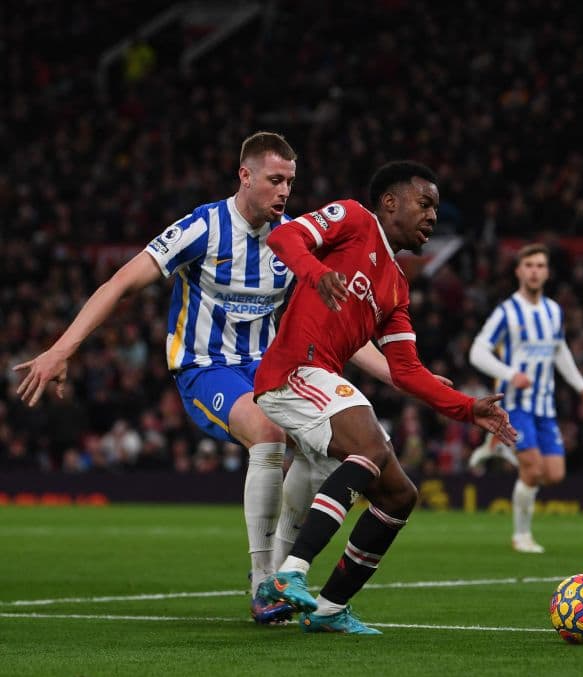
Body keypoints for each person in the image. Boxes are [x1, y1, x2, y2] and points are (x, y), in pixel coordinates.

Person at [12, 131, 397, 624]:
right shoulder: (203, 227)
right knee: (270, 431)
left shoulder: (297, 240)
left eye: (290, 182)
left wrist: (399, 375)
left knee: (325, 445)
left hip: (270, 370)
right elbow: (121, 283)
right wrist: (63, 348)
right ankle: (263, 581)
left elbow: (335, 324)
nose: (284, 192)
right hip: (205, 368)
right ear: (246, 175)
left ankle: (282, 572)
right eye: (275, 180)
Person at [252, 160, 516, 634]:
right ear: (391, 202)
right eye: (425, 204)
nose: (433, 216)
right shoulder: (353, 218)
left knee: (399, 495)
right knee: (371, 447)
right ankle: (286, 576)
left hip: (320, 382)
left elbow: (407, 371)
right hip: (292, 370)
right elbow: (283, 238)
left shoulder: (396, 287)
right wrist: (315, 273)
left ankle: (330, 609)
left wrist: (468, 408)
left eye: (436, 207)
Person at [467, 243, 583, 553]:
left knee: (555, 474)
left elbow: (560, 351)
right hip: (515, 403)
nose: (535, 271)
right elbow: (477, 351)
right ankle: (521, 536)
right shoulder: (507, 312)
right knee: (533, 470)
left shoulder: (554, 310)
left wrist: (582, 386)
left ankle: (498, 448)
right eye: (529, 265)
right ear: (518, 271)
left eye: (540, 265)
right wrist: (511, 374)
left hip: (545, 404)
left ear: (547, 272)